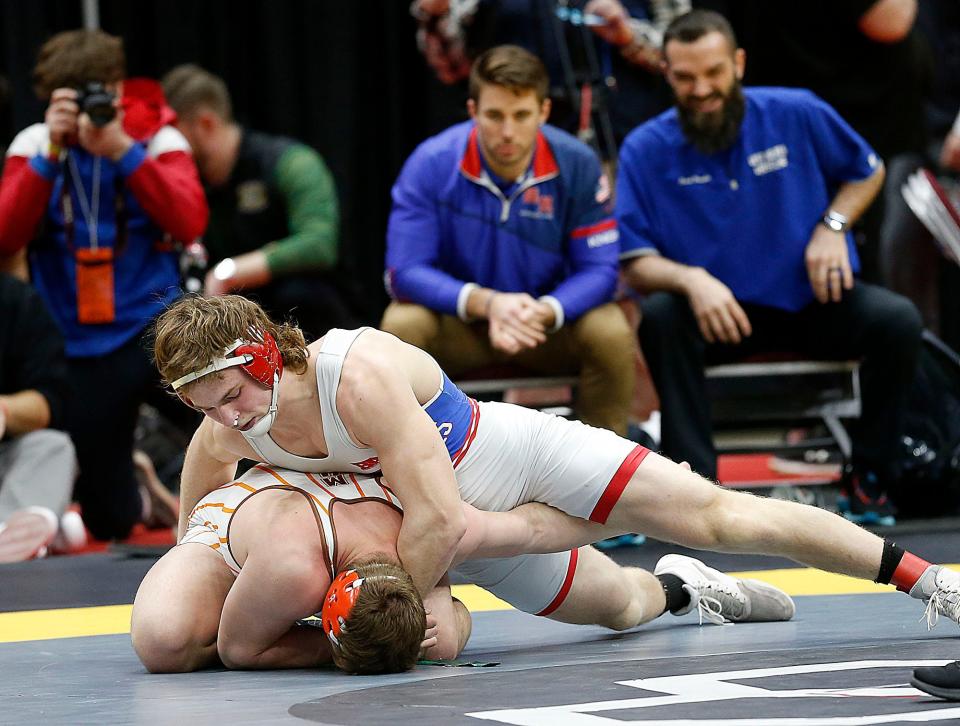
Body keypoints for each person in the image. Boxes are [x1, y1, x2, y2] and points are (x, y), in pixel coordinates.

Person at [153, 294, 960, 638]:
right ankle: (687, 591)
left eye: (229, 395)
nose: (226, 418)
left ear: (263, 356)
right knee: (621, 607)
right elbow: (200, 530)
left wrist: (399, 603)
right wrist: (205, 574)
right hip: (452, 533)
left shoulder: (351, 376)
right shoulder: (224, 427)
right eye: (204, 408)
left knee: (722, 515)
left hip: (506, 463)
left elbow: (441, 517)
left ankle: (930, 579)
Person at [615, 10, 924, 526]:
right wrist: (690, 279)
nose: (702, 89)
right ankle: (695, 490)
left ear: (738, 63)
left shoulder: (795, 111)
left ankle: (870, 479)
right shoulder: (645, 147)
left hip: (809, 302)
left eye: (713, 72)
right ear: (667, 73)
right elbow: (634, 261)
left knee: (898, 321)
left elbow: (868, 171)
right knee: (665, 316)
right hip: (718, 316)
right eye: (686, 77)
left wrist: (833, 224)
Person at [131, 463, 795, 674]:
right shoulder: (288, 564)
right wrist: (331, 648)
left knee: (618, 605)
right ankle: (236, 580)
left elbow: (534, 525)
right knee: (165, 640)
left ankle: (680, 587)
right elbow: (239, 649)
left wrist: (646, 505)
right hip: (249, 519)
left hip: (428, 515)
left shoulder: (437, 535)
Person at [0, 29, 208, 539]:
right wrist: (50, 154)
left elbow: (190, 222)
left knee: (225, 406)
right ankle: (137, 484)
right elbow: (6, 234)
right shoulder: (34, 144)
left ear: (117, 90)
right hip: (80, 344)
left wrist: (122, 151)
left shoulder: (158, 136)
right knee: (111, 519)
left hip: (154, 322)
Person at [381, 44, 636, 437]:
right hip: (464, 326)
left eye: (521, 116)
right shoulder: (431, 163)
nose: (507, 132)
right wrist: (488, 303)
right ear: (472, 111)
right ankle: (413, 460)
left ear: (544, 111)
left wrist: (546, 311)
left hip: (543, 326)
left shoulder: (577, 163)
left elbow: (601, 271)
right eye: (494, 115)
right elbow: (404, 272)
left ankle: (609, 471)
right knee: (401, 322)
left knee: (611, 329)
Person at [161, 64, 359, 339]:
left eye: (173, 136)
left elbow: (319, 243)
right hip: (226, 314)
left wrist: (228, 272)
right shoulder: (183, 183)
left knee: (299, 295)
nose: (166, 148)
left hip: (306, 314)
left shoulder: (289, 162)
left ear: (206, 124)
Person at [0, 272, 80, 562]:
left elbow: (48, 402)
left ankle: (15, 529)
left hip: (7, 459)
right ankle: (48, 525)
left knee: (53, 446)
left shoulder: (16, 301)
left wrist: (5, 411)